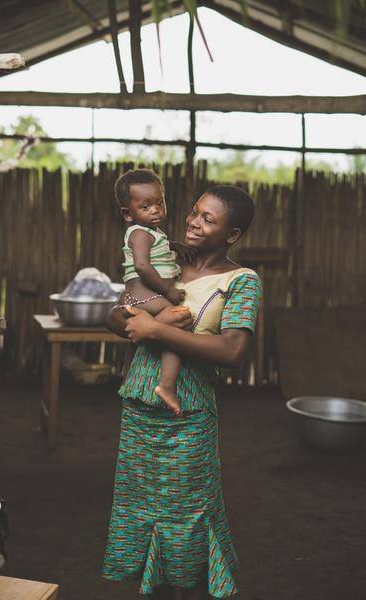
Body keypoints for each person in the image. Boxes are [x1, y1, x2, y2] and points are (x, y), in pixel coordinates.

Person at [102, 185, 262, 599]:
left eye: (208, 219)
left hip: (186, 413)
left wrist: (154, 328)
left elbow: (231, 350)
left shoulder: (242, 281)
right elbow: (123, 307)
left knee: (187, 515)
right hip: (139, 403)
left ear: (232, 235)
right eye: (194, 212)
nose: (194, 221)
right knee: (142, 510)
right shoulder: (168, 263)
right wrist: (120, 317)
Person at [115, 168, 194, 415]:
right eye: (146, 206)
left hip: (140, 298)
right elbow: (142, 265)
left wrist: (175, 246)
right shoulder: (139, 234)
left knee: (140, 337)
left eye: (159, 203)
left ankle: (128, 377)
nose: (156, 210)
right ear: (128, 214)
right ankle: (167, 385)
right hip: (146, 296)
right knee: (177, 324)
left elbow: (158, 250)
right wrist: (167, 291)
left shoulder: (152, 233)